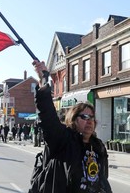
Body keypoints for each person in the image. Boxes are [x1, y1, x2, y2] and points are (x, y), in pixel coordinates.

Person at [32, 60, 112, 192]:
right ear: (73, 120)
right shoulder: (63, 140)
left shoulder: (98, 146)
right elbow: (48, 117)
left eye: (91, 117)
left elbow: (102, 178)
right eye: (84, 117)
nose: (90, 121)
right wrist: (43, 81)